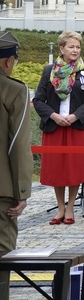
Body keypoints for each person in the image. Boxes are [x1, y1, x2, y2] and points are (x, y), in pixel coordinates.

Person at [32, 30, 84, 226]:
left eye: (78, 47)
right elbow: (38, 100)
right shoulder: (49, 71)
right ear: (61, 48)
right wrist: (53, 116)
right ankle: (60, 207)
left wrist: (75, 115)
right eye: (71, 47)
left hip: (77, 126)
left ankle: (70, 206)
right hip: (54, 127)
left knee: (74, 168)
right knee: (57, 169)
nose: (75, 50)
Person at [0, 32, 32, 264]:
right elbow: (18, 143)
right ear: (8, 61)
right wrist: (22, 192)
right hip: (2, 188)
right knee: (2, 251)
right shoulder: (13, 90)